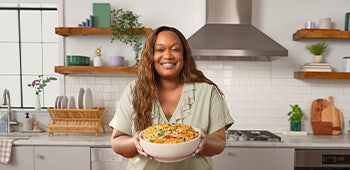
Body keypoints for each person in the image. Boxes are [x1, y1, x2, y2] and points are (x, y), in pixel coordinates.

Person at [109, 26, 234, 170]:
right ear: (150, 55)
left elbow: (219, 142)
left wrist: (203, 142)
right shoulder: (134, 90)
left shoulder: (208, 92)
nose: (168, 56)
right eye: (160, 50)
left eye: (175, 49)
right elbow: (117, 142)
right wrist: (136, 142)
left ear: (184, 55)